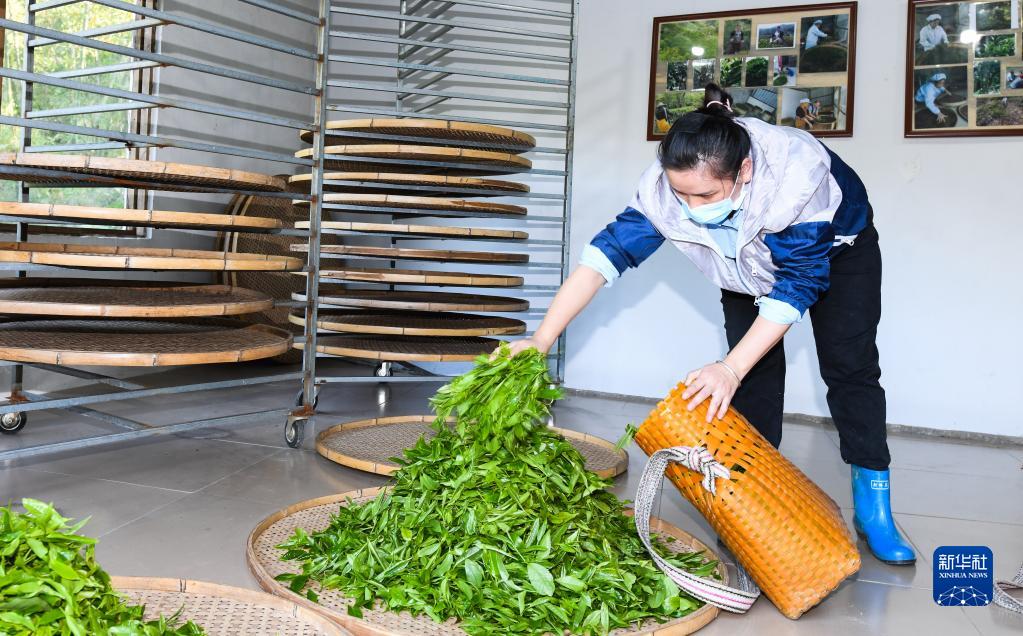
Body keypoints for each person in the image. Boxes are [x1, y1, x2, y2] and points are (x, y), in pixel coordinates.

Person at [506, 83, 916, 566]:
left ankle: (873, 506)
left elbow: (798, 285)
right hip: (742, 267)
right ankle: (750, 502)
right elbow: (601, 261)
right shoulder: (666, 189)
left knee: (850, 368)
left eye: (705, 195)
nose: (692, 208)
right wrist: (540, 339)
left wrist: (729, 366)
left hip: (839, 254)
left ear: (744, 171)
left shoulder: (795, 177)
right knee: (753, 383)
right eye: (681, 193)